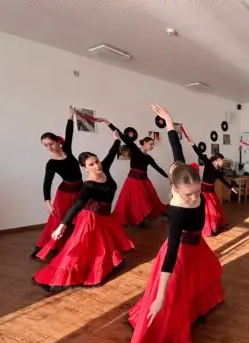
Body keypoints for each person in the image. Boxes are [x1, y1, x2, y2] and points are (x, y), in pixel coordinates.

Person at [113, 104, 223, 343]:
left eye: (196, 192)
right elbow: (171, 254)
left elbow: (176, 149)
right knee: (160, 312)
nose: (194, 197)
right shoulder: (176, 211)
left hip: (197, 250)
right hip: (178, 257)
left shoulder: (182, 172)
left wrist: (170, 124)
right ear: (174, 188)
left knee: (202, 283)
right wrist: (160, 294)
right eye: (188, 194)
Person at [32, 128, 134, 291]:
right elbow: (77, 204)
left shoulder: (104, 168)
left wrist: (116, 139)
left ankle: (105, 265)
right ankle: (56, 280)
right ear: (85, 168)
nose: (96, 165)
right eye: (91, 164)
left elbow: (111, 154)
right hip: (90, 218)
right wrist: (62, 225)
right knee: (77, 248)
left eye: (97, 161)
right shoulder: (88, 185)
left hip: (105, 217)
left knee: (100, 248)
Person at [31, 107, 82, 258]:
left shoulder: (67, 149)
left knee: (77, 218)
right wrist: (47, 202)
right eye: (45, 145)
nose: (49, 147)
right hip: (65, 194)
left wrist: (71, 116)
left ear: (58, 142)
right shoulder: (51, 163)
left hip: (80, 190)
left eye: (51, 143)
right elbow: (47, 183)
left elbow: (69, 133)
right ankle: (42, 246)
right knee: (58, 220)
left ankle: (72, 243)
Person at [103, 121, 169, 227]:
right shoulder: (135, 149)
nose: (152, 146)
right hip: (133, 181)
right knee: (134, 202)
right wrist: (107, 122)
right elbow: (123, 136)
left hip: (144, 181)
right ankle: (131, 220)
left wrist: (168, 177)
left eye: (153, 145)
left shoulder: (148, 158)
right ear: (145, 142)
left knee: (148, 200)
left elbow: (157, 168)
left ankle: (141, 220)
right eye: (151, 144)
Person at [182, 130, 239, 236]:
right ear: (218, 159)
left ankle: (215, 225)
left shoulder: (218, 171)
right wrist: (193, 144)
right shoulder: (208, 163)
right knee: (210, 210)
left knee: (216, 207)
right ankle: (211, 227)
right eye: (222, 160)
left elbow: (223, 180)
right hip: (204, 191)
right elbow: (199, 153)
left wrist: (231, 188)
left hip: (211, 191)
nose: (223, 162)